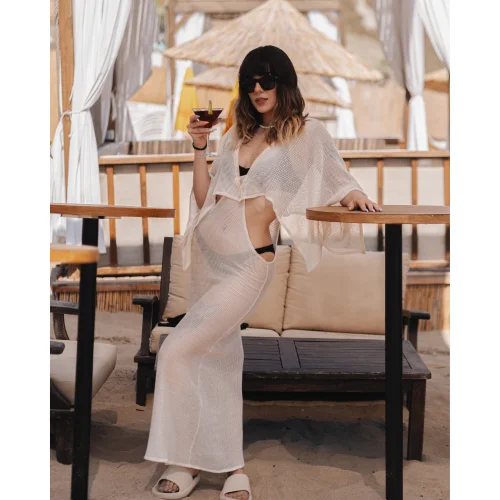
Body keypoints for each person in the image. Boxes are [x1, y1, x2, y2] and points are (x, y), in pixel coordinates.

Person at [145, 46, 381, 500]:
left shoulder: (306, 133)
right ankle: (216, 466)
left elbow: (338, 176)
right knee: (217, 358)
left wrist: (353, 194)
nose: (257, 89)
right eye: (250, 81)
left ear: (284, 83)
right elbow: (204, 200)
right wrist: (199, 147)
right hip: (209, 260)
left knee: (175, 351)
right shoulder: (237, 133)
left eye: (267, 80)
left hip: (247, 265)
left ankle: (193, 459)